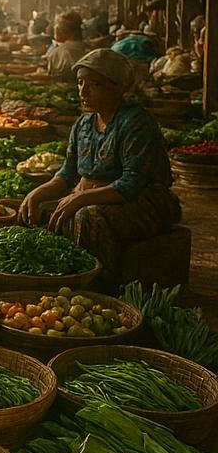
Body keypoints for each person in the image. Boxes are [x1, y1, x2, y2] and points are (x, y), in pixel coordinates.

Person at [18, 49, 181, 288]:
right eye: (80, 82)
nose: (83, 91)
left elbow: (133, 183)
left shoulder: (136, 123)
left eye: (94, 84)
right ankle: (50, 281)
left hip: (144, 203)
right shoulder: (83, 124)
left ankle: (100, 288)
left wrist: (81, 197)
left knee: (87, 217)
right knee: (32, 209)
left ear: (120, 87)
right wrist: (38, 193)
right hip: (92, 196)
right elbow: (67, 174)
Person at [43, 11, 88, 79]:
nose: (54, 27)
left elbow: (52, 78)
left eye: (56, 25)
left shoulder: (57, 53)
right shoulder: (91, 49)